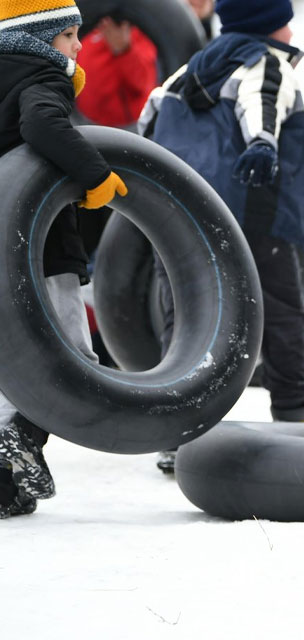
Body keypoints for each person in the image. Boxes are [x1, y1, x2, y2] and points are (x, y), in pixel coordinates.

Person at [140, 0, 304, 434]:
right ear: (267, 26)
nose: (291, 34)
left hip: (182, 220)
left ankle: (176, 428)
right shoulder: (267, 62)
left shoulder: (184, 73)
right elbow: (264, 99)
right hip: (258, 218)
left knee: (184, 319)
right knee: (279, 314)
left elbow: (147, 121)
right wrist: (262, 142)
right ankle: (294, 414)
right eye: (285, 23)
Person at [0, 0, 128, 517]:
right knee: (74, 355)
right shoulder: (41, 76)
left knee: (10, 364)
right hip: (42, 247)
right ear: (39, 37)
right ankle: (21, 437)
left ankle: (6, 487)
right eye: (70, 35)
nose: (78, 47)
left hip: (2, 252)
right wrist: (95, 175)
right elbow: (44, 125)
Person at [75, 16, 156, 127]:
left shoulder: (137, 35)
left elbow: (143, 84)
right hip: (85, 122)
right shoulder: (85, 33)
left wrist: (124, 49)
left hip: (127, 128)